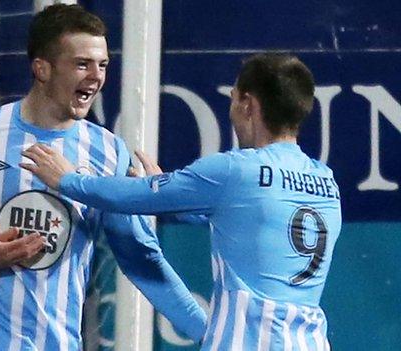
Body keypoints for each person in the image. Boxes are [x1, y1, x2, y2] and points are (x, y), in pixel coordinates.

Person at [0, 4, 207, 351]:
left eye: (103, 65)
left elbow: (141, 257)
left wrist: (212, 335)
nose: (96, 76)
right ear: (42, 69)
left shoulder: (110, 153)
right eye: (82, 64)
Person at [22, 53, 342, 350]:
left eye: (233, 99)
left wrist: (67, 179)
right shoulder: (326, 182)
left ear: (248, 104)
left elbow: (133, 196)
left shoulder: (235, 170)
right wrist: (168, 196)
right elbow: (244, 226)